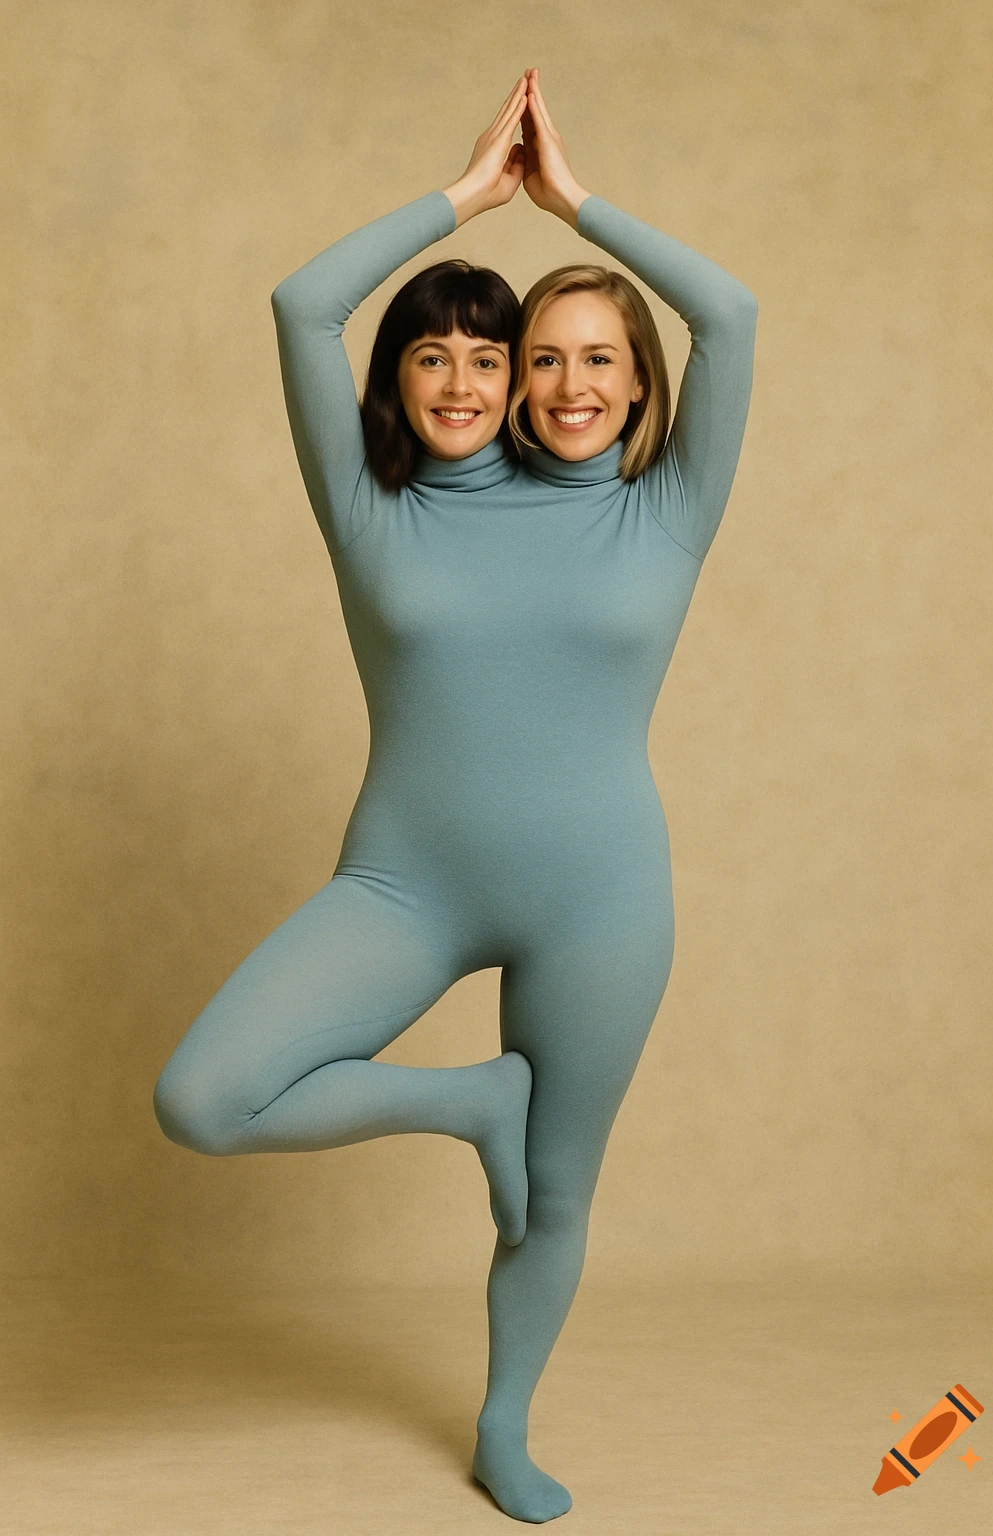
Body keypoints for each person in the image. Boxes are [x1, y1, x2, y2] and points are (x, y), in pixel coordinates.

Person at [152, 68, 757, 1525]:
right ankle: (470, 1104)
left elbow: (731, 314)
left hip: (602, 901)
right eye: (525, 357)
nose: (557, 384)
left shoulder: (663, 511)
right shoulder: (374, 511)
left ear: (638, 381)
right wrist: (468, 196)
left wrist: (580, 204)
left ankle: (502, 1427)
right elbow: (304, 306)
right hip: (404, 888)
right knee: (204, 1098)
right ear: (423, 378)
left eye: (592, 358)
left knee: (557, 1197)